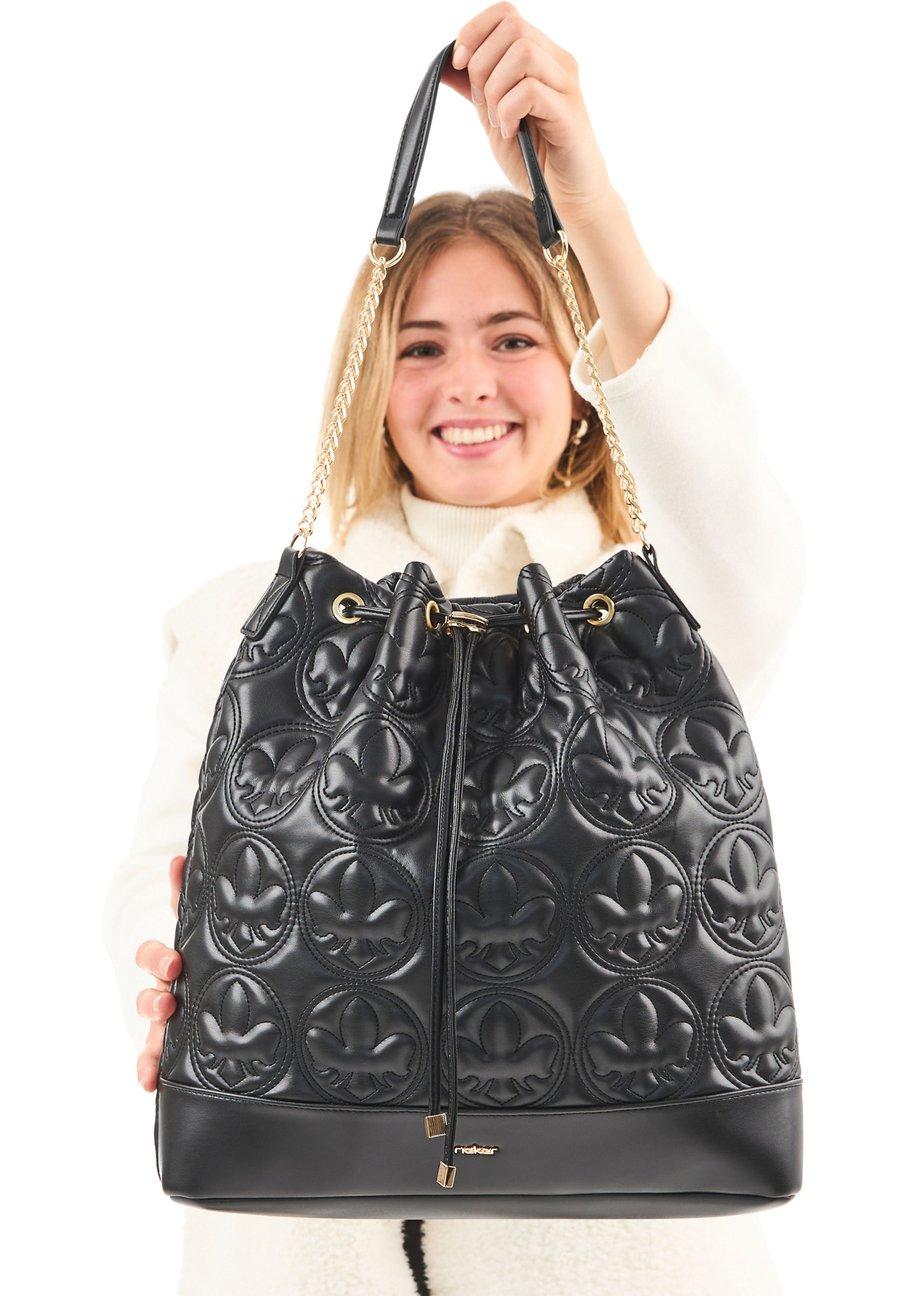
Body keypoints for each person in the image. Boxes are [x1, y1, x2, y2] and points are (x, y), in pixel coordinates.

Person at [103, 7, 804, 1294]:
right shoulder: (254, 624)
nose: (467, 382)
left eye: (515, 338)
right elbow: (163, 867)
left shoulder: (657, 620)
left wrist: (591, 212)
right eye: (419, 347)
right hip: (300, 1254)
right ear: (370, 385)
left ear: (583, 378)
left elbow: (742, 522)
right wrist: (167, 964)